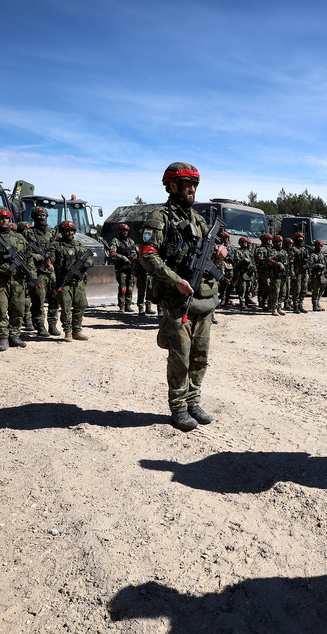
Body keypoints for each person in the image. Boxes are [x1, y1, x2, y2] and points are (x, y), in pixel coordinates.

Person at [138, 162, 229, 432]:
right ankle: (178, 408)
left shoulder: (199, 220)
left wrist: (220, 253)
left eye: (194, 185)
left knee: (200, 356)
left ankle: (193, 401)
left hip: (204, 299)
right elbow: (147, 254)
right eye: (187, 185)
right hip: (178, 300)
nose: (191, 190)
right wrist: (175, 280)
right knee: (181, 357)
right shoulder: (160, 217)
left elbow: (212, 251)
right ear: (172, 186)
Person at [0, 206, 37, 352]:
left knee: (18, 309)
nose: (5, 221)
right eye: (1, 218)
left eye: (7, 218)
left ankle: (14, 336)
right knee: (1, 310)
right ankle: (3, 338)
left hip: (18, 280)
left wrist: (32, 277)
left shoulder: (19, 237)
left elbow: (29, 259)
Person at [50, 220, 93, 341]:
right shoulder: (56, 245)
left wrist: (86, 264)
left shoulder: (77, 245)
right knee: (66, 307)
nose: (70, 233)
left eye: (72, 231)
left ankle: (77, 330)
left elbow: (90, 259)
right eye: (67, 231)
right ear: (62, 232)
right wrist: (53, 280)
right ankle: (68, 331)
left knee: (81, 305)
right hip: (64, 282)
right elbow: (49, 264)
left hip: (78, 282)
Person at [26, 206, 58, 335]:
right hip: (38, 271)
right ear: (34, 218)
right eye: (38, 216)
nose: (41, 218)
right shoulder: (28, 233)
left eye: (43, 216)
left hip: (51, 271)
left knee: (54, 299)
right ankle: (40, 325)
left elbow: (58, 248)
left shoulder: (52, 232)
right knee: (38, 299)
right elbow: (22, 249)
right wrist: (33, 256)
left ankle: (52, 324)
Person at [109, 223, 139, 312]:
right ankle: (121, 306)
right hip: (121, 268)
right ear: (119, 231)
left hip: (131, 268)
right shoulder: (116, 241)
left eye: (126, 231)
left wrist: (133, 258)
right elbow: (112, 254)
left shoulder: (131, 242)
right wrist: (123, 258)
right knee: (123, 288)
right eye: (123, 231)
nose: (124, 232)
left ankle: (128, 305)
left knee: (130, 288)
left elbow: (134, 252)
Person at [308, 240, 327, 312]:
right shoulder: (313, 255)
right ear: (316, 246)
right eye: (318, 246)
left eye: (321, 246)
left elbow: (325, 264)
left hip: (322, 275)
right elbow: (310, 265)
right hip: (315, 276)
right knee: (315, 290)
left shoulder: (322, 255)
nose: (320, 247)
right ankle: (315, 305)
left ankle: (318, 303)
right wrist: (317, 265)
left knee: (322, 289)